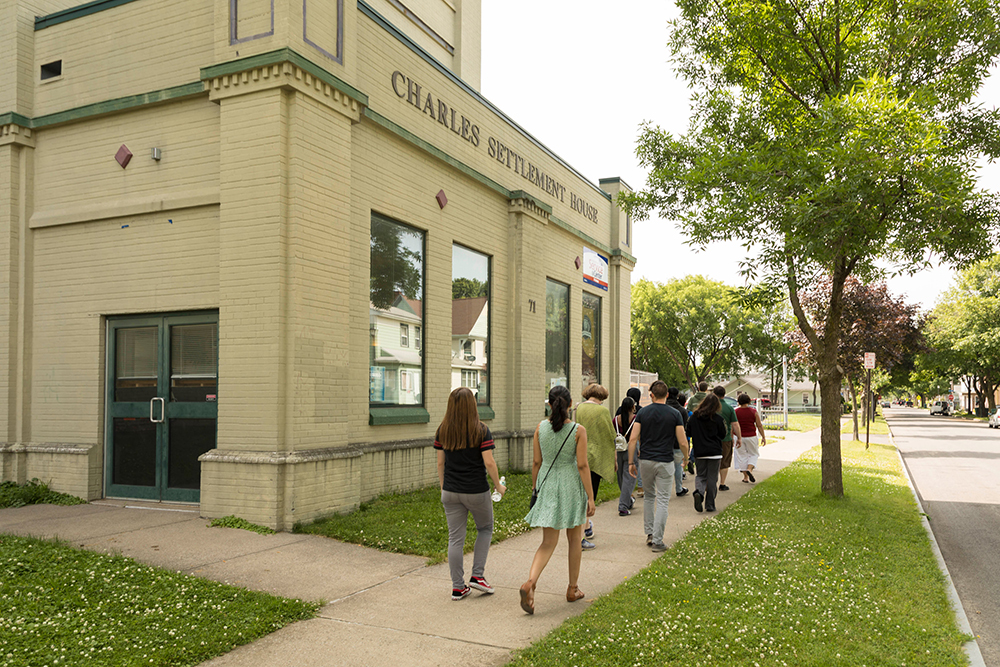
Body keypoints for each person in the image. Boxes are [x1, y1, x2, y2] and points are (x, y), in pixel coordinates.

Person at [520, 385, 596, 614]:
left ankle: (531, 582)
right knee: (575, 539)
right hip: (571, 485)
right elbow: (582, 465)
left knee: (547, 542)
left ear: (549, 404)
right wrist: (590, 497)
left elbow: (536, 463)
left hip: (548, 484)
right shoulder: (577, 430)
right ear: (570, 405)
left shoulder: (540, 428)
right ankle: (573, 588)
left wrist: (535, 488)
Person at [434, 387, 506, 601]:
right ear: (472, 406)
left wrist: (443, 487)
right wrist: (498, 486)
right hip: (476, 490)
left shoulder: (442, 430)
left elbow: (440, 462)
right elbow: (489, 462)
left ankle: (458, 587)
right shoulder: (481, 430)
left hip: (450, 491)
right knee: (485, 529)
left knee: (455, 538)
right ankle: (478, 576)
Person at [626, 380, 687, 553]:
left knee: (649, 497)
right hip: (665, 461)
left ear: (651, 395)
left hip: (645, 460)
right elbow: (682, 441)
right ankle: (658, 541)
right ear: (667, 395)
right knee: (662, 500)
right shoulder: (675, 414)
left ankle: (650, 533)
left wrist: (631, 462)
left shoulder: (642, 413)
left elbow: (632, 439)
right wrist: (686, 458)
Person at [576, 383, 616, 548]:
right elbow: (610, 434)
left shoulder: (579, 408)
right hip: (596, 455)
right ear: (602, 397)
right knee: (590, 493)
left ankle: (586, 526)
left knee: (581, 493)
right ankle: (584, 530)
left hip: (580, 453)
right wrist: (613, 458)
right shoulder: (602, 411)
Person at [687, 393, 727, 513]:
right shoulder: (718, 419)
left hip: (700, 452)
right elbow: (723, 435)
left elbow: (688, 432)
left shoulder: (694, 418)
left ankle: (699, 492)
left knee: (701, 476)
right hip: (715, 452)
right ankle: (710, 504)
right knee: (712, 478)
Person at [712, 386, 741, 491]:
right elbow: (735, 424)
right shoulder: (729, 408)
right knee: (724, 461)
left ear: (714, 394)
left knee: (712, 461)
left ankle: (711, 482)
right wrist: (739, 438)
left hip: (711, 439)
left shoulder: (710, 407)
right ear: (724, 394)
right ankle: (722, 483)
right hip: (725, 438)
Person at [616, 387, 644, 497]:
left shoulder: (620, 410)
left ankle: (627, 492)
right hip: (635, 441)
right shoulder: (640, 410)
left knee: (622, 469)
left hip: (621, 443)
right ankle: (640, 487)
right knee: (636, 466)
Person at [613, 396, 638, 516]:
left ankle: (628, 500)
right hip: (630, 451)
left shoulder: (615, 420)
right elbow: (638, 437)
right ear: (632, 407)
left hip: (619, 451)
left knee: (621, 478)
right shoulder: (635, 419)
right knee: (629, 478)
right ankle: (623, 506)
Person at [734, 394, 766, 483]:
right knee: (754, 454)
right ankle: (750, 469)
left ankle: (745, 477)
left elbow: (732, 425)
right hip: (751, 436)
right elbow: (759, 425)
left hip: (738, 436)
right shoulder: (753, 411)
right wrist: (763, 436)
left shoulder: (735, 412)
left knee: (741, 456)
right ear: (749, 401)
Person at [664, 387, 690, 497]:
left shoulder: (663, 408)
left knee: (665, 467)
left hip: (664, 443)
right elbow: (684, 428)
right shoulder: (682, 411)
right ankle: (679, 488)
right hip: (677, 442)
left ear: (667, 394)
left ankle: (664, 489)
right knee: (678, 466)